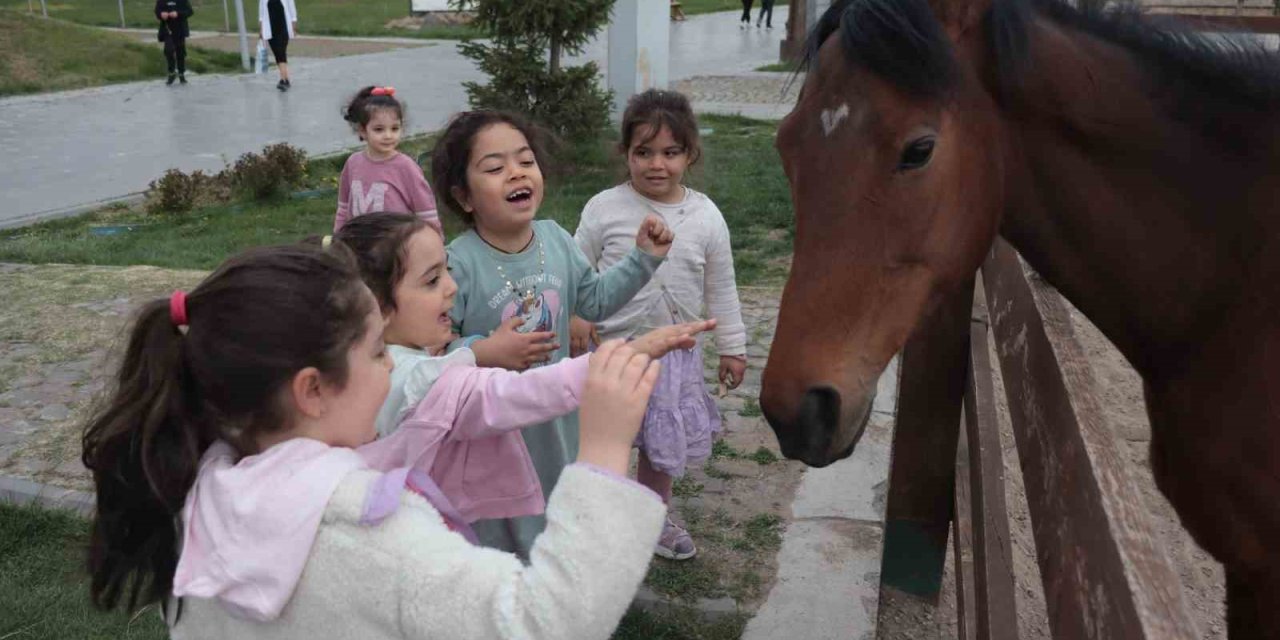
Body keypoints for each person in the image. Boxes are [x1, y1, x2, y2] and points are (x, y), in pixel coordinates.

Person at [81, 242, 672, 639]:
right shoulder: (373, 535)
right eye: (378, 352)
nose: (392, 365)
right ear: (313, 390)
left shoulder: (197, 494)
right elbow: (546, 622)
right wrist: (603, 453)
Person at [333, 213, 714, 526]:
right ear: (377, 306)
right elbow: (521, 393)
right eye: (432, 280)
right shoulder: (420, 381)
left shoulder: (349, 366)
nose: (451, 287)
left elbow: (594, 298)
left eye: (446, 272)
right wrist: (627, 355)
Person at [430, 110, 675, 558]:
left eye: (525, 161)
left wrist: (643, 260)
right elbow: (435, 351)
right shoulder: (457, 263)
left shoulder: (556, 239)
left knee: (559, 510)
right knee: (503, 528)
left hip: (559, 421)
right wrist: (483, 351)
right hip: (497, 432)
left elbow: (594, 301)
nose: (516, 173)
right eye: (495, 167)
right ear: (464, 197)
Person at [571, 89, 748, 561]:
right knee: (604, 440)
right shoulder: (604, 208)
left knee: (658, 445)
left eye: (670, 153)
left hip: (673, 357)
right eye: (643, 152)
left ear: (690, 154)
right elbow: (576, 268)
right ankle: (595, 514)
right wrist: (578, 314)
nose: (656, 164)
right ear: (625, 153)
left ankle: (650, 517)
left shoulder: (706, 217)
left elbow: (722, 286)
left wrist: (732, 347)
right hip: (613, 352)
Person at [334, 87, 439, 233]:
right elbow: (344, 208)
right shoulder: (353, 163)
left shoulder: (406, 167)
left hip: (397, 243)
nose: (388, 136)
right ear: (362, 131)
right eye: (379, 129)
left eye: (394, 128)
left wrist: (434, 241)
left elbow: (426, 212)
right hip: (357, 242)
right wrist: (338, 237)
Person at [258, 0, 296, 91]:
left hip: (283, 27)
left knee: (281, 51)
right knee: (277, 53)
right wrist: (261, 29)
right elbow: (261, 13)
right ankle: (285, 79)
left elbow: (292, 8)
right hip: (270, 28)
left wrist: (293, 25)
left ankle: (283, 80)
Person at [155, 0, 193, 85]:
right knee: (169, 50)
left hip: (180, 29)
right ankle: (171, 72)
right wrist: (161, 14)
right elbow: (157, 11)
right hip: (167, 29)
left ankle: (181, 73)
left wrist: (178, 14)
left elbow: (190, 11)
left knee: (180, 52)